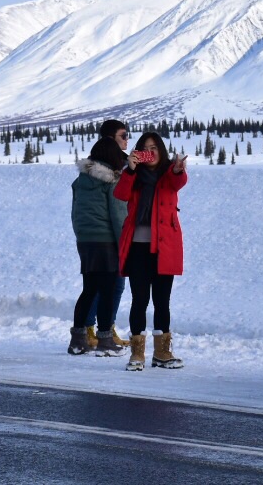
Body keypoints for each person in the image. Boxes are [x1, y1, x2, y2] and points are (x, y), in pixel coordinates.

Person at [114, 130, 187, 371]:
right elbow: (120, 194)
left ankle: (162, 353)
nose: (151, 152)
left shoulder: (169, 174)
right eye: (146, 148)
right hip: (138, 247)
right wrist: (131, 170)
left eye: (155, 147)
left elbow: (178, 181)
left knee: (162, 301)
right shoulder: (134, 176)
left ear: (162, 151)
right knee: (139, 300)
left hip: (164, 247)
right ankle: (137, 354)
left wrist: (178, 169)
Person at [69, 119, 129, 355]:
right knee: (108, 289)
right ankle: (105, 339)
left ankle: (77, 339)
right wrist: (124, 243)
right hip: (106, 241)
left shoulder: (81, 180)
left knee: (89, 289)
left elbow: (76, 211)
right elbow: (118, 214)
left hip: (86, 240)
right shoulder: (112, 180)